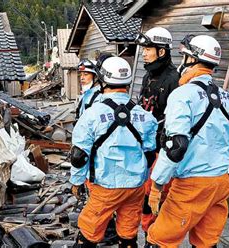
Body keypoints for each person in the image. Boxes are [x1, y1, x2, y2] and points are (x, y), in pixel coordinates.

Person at [145, 35, 229, 247]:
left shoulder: (182, 94)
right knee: (206, 241)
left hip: (192, 183)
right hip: (220, 181)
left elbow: (176, 146)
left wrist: (157, 184)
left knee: (159, 239)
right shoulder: (227, 97)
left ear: (191, 60)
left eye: (183, 56)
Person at [69, 56, 158, 248]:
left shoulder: (92, 114)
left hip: (106, 185)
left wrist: (76, 181)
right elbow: (150, 154)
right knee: (127, 234)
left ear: (102, 80)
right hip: (135, 187)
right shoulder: (145, 116)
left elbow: (79, 155)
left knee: (89, 232)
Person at [136, 26, 180, 236]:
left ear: (161, 51)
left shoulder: (175, 80)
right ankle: (148, 234)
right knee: (144, 200)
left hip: (162, 150)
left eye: (148, 48)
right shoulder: (147, 77)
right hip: (145, 147)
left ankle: (157, 237)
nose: (144, 53)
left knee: (157, 199)